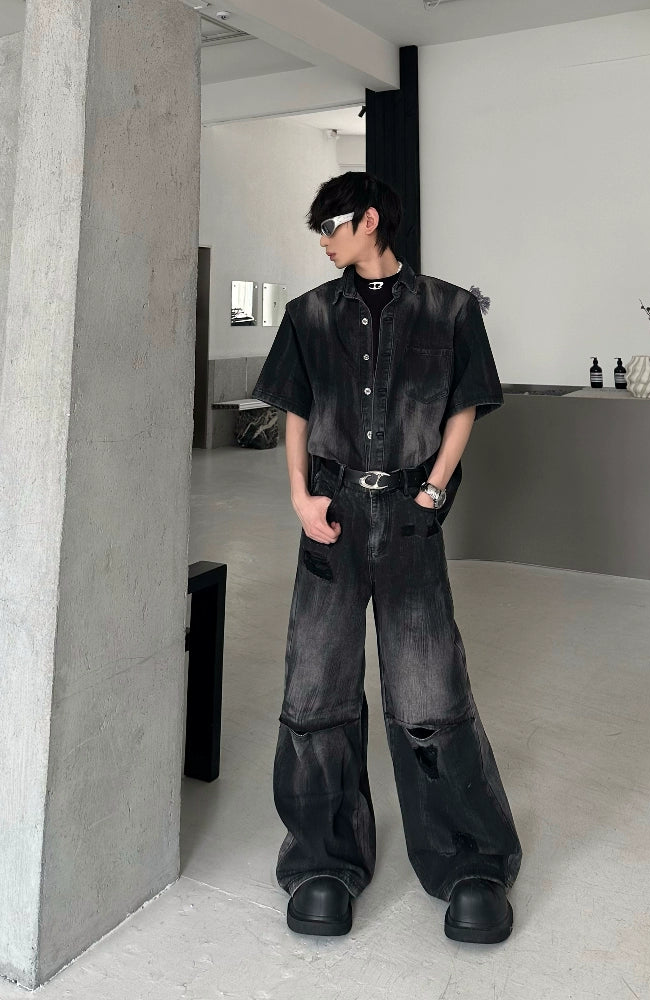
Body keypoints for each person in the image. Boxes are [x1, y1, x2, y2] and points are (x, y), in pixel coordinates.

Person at [251, 171, 522, 943]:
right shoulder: (308, 314)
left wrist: (434, 489)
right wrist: (301, 498)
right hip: (332, 511)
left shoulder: (450, 308)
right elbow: (296, 411)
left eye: (331, 224)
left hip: (408, 516)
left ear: (370, 220)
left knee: (429, 689)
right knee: (316, 688)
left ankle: (469, 862)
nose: (324, 240)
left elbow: (464, 405)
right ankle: (322, 861)